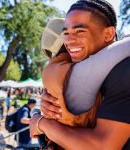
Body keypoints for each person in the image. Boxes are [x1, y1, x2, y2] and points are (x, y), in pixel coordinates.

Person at [29, 0, 130, 149]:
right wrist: (46, 105)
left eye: (80, 31)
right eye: (66, 33)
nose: (68, 41)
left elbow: (102, 147)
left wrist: (42, 124)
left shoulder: (124, 72)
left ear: (108, 34)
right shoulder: (71, 69)